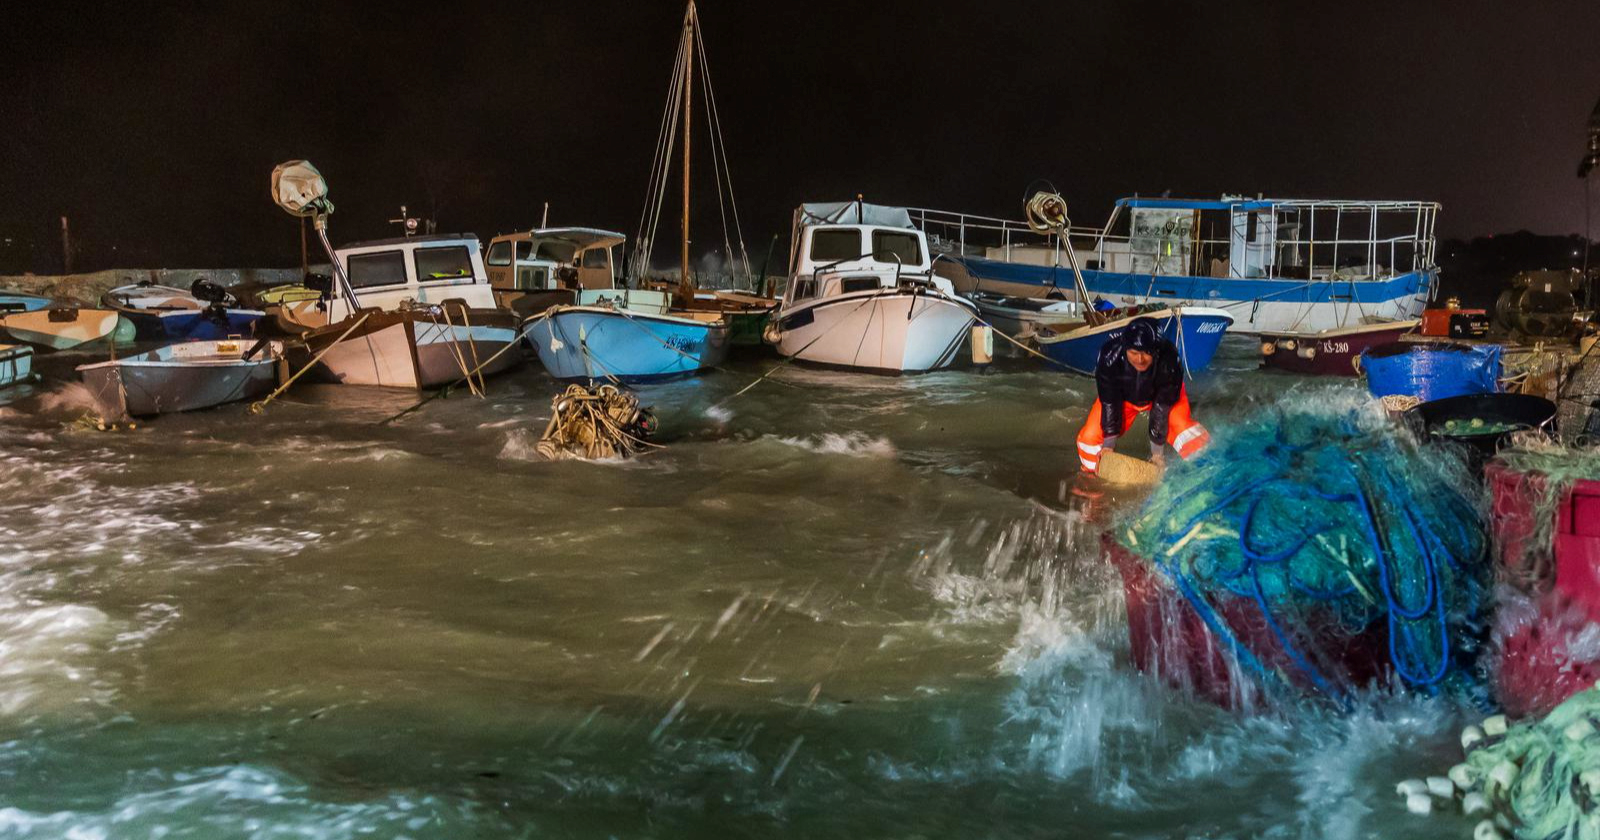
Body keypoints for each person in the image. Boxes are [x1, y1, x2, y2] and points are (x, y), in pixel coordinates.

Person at [1076, 317, 1210, 474]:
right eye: (1134, 353)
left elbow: (1162, 407)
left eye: (1146, 353)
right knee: (1089, 437)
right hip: (1123, 398)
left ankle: (1205, 468)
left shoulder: (1170, 360)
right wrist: (1108, 446)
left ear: (1156, 351)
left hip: (1160, 398)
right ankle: (1093, 475)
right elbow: (1110, 402)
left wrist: (1157, 454)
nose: (1140, 360)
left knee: (1185, 431)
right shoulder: (1108, 357)